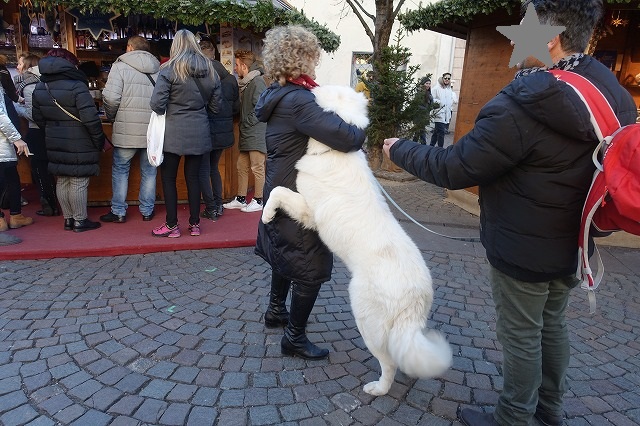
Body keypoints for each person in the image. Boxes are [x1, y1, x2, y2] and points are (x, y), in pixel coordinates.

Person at [383, 1, 636, 425]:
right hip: (574, 241)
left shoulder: (525, 100)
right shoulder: (613, 92)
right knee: (552, 325)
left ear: (551, 37)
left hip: (523, 245)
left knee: (521, 333)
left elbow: (455, 167)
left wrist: (399, 149)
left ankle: (513, 416)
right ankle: (548, 410)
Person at [255, 25, 366, 360]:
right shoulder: (300, 100)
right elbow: (349, 138)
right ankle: (294, 337)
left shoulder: (276, 93)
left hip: (281, 183)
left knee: (285, 254)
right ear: (301, 58)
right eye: (313, 56)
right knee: (310, 265)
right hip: (298, 192)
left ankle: (276, 311)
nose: (317, 63)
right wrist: (356, 120)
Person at [150, 29, 221, 238]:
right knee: (194, 178)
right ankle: (194, 223)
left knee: (169, 178)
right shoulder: (210, 70)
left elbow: (156, 104)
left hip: (172, 131)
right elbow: (216, 107)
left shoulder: (169, 69)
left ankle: (172, 225)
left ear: (176, 46)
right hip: (199, 130)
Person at [32, 48, 105, 232]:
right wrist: (99, 140)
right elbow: (90, 118)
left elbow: (37, 117)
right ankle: (80, 220)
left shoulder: (41, 86)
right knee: (78, 179)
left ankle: (68, 219)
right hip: (79, 137)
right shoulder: (76, 85)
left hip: (54, 137)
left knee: (62, 179)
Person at [100, 35, 160, 224]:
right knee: (149, 172)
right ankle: (147, 211)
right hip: (151, 131)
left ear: (129, 47)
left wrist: (111, 116)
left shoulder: (119, 66)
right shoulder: (159, 68)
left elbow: (110, 98)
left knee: (120, 170)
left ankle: (118, 211)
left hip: (126, 128)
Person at [198, 39, 240, 220]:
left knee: (203, 169)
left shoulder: (199, 76)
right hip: (223, 131)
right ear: (214, 54)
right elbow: (236, 109)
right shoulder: (230, 79)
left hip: (204, 129)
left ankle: (211, 207)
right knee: (213, 168)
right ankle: (218, 205)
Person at [222, 49, 267, 213]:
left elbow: (261, 108)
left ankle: (259, 200)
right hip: (248, 132)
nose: (235, 68)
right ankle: (241, 199)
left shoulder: (257, 82)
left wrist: (246, 121)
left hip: (255, 132)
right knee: (241, 166)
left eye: (237, 65)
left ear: (244, 67)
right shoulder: (248, 82)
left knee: (257, 167)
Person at [16, 53, 59, 217]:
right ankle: (52, 203)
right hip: (51, 130)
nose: (18, 67)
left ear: (28, 66)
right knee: (48, 169)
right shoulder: (47, 80)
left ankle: (49, 204)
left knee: (40, 169)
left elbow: (34, 114)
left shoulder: (29, 85)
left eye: (20, 64)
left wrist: (17, 108)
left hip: (37, 130)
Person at [0, 85, 33, 232]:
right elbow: (1, 115)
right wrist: (16, 138)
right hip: (2, 142)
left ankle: (10, 218)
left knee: (10, 177)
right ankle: (15, 216)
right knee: (11, 177)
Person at [430, 72, 457, 147]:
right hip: (438, 113)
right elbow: (431, 99)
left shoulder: (448, 89)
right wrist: (440, 103)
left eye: (448, 78)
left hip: (446, 114)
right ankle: (440, 149)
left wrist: (450, 104)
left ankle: (431, 146)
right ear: (442, 78)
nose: (447, 80)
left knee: (436, 132)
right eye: (445, 78)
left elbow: (450, 100)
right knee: (441, 132)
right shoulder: (436, 88)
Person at [415, 76, 434, 144]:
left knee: (417, 133)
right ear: (423, 84)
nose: (428, 85)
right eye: (427, 83)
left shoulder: (429, 93)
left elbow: (431, 105)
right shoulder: (419, 93)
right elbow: (417, 105)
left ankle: (413, 145)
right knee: (421, 132)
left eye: (429, 83)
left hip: (425, 115)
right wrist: (426, 109)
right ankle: (424, 146)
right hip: (419, 116)